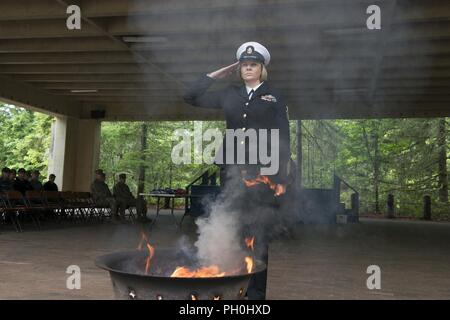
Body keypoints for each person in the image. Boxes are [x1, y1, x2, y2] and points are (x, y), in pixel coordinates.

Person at [184, 42, 291, 300]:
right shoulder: (229, 93)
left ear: (262, 68)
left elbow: (283, 136)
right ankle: (231, 287)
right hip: (232, 170)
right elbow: (190, 97)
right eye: (244, 65)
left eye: (253, 64)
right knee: (232, 228)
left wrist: (278, 176)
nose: (248, 68)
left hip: (262, 170)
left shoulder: (274, 95)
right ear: (238, 68)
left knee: (259, 230)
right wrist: (217, 74)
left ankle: (255, 294)